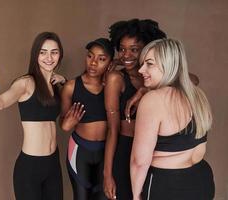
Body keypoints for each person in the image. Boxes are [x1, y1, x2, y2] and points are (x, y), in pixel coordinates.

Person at [0, 32, 67, 200]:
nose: (49, 57)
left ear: (60, 55)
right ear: (35, 55)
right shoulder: (26, 83)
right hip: (30, 167)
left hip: (53, 164)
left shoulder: (56, 85)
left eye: (54, 52)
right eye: (43, 52)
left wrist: (64, 81)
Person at [131, 38, 215, 200]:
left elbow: (139, 161)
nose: (141, 70)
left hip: (168, 184)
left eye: (149, 64)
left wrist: (135, 195)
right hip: (202, 179)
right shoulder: (198, 95)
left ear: (168, 65)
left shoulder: (153, 100)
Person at [103, 19, 167, 200]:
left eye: (134, 49)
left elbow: (190, 80)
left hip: (154, 153)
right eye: (122, 49)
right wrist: (107, 174)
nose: (126, 54)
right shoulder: (116, 78)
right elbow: (112, 129)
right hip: (125, 151)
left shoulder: (155, 77)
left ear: (146, 50)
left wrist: (145, 90)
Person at [60, 38, 114, 200]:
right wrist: (66, 124)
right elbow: (62, 122)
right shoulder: (71, 86)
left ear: (110, 63)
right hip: (79, 151)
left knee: (103, 197)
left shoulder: (113, 86)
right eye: (90, 56)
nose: (93, 63)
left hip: (106, 152)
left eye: (101, 59)